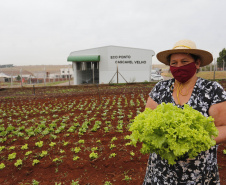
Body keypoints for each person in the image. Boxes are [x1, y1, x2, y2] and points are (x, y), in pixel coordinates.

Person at [143, 39, 226, 185]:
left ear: (197, 63)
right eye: (174, 63)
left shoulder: (212, 90)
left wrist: (196, 141)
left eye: (184, 61)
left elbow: (223, 127)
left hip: (198, 173)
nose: (179, 66)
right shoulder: (160, 88)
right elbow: (146, 122)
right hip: (161, 172)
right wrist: (162, 140)